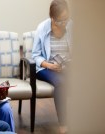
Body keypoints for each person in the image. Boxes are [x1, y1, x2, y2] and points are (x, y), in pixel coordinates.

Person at [32, 0, 72, 133]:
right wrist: (48, 65)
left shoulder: (72, 26)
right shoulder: (42, 28)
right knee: (61, 83)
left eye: (66, 19)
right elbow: (35, 55)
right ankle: (63, 126)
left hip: (66, 67)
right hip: (46, 68)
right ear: (52, 18)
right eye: (60, 20)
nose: (64, 23)